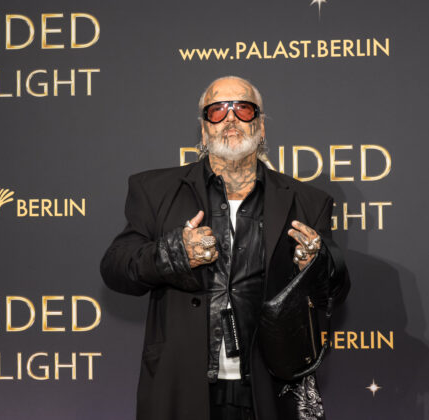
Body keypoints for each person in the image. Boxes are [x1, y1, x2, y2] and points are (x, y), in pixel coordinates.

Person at [100, 76, 350, 420]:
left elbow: (334, 293)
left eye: (243, 108)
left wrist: (315, 264)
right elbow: (116, 267)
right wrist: (175, 253)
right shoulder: (154, 190)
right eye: (217, 110)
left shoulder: (308, 201)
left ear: (261, 127)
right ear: (204, 131)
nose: (230, 118)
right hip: (181, 384)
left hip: (270, 386)